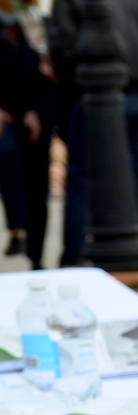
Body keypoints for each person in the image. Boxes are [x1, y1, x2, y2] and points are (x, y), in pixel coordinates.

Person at [48, 0, 138, 266]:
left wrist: (75, 84)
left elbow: (62, 47)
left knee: (82, 178)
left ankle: (76, 257)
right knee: (136, 176)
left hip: (94, 94)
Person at [0, 0, 53, 270]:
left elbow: (50, 76)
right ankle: (16, 229)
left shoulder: (36, 24)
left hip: (35, 118)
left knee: (37, 190)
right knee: (8, 168)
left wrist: (37, 110)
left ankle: (36, 254)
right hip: (6, 118)